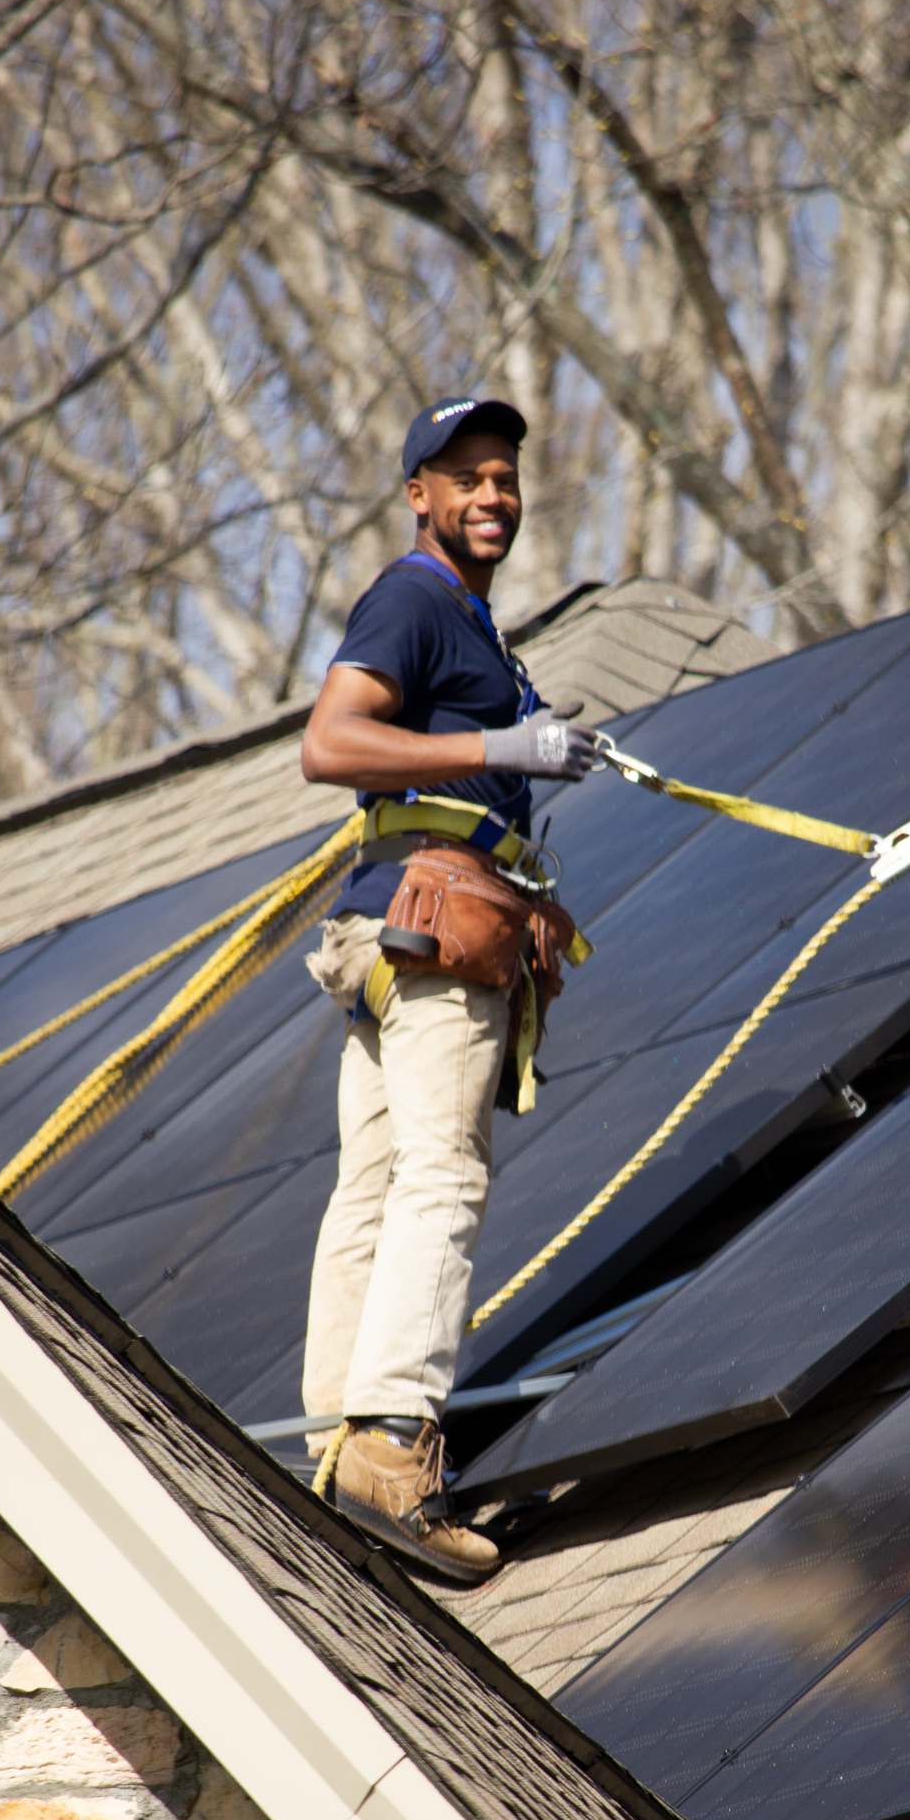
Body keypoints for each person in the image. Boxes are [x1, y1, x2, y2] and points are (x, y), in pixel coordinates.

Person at [299, 395, 598, 1583]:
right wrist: (497, 750)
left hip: (393, 931)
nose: (492, 496)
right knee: (444, 1171)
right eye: (466, 476)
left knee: (371, 1184)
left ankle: (334, 1438)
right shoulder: (417, 598)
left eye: (506, 479)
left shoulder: (473, 627)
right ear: (419, 492)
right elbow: (332, 743)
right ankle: (389, 1440)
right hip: (437, 925)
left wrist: (520, 729)